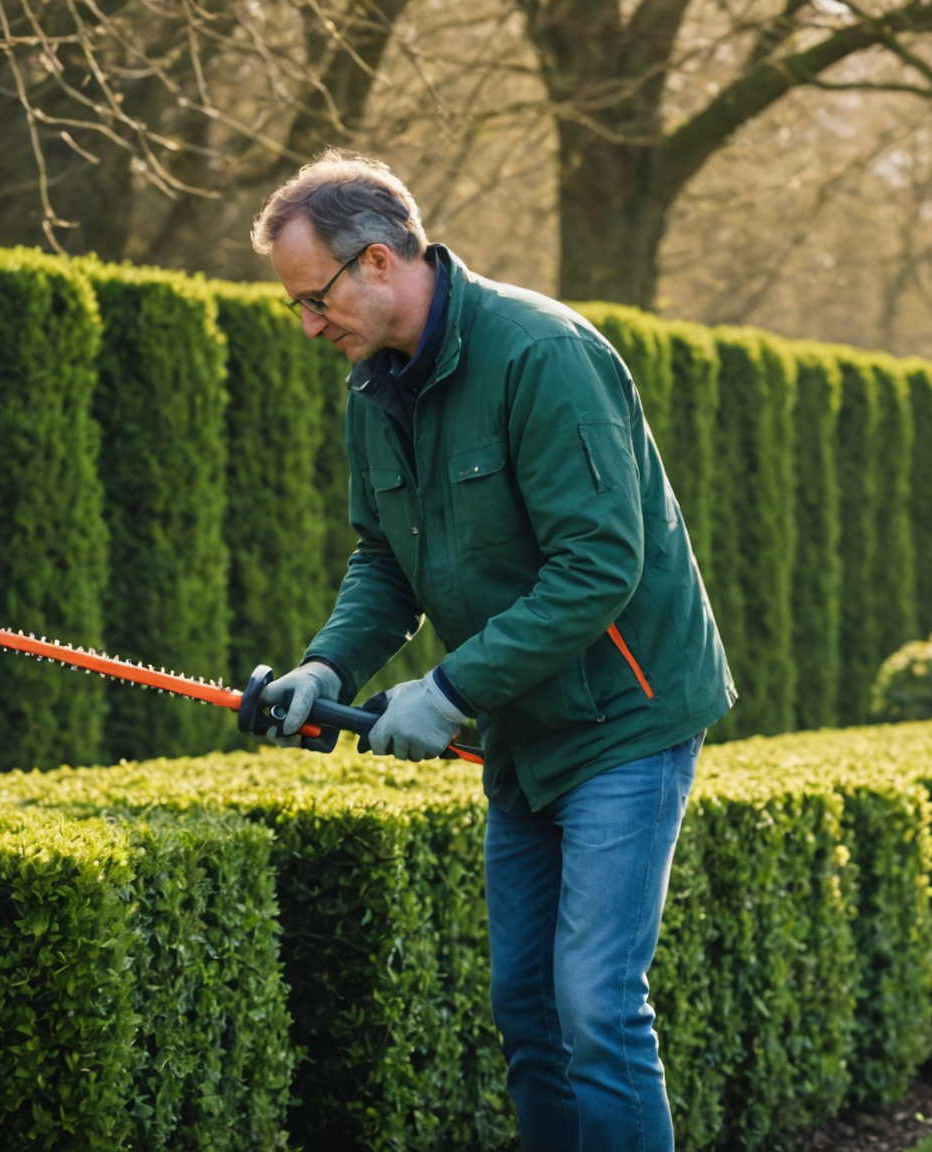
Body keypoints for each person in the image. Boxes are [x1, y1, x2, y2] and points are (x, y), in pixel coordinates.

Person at [252, 150, 733, 1152]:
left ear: (376, 261)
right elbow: (384, 558)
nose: (308, 325)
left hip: (624, 718)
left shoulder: (540, 355)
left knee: (596, 1007)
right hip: (524, 725)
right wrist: (330, 668)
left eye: (313, 299)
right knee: (525, 1010)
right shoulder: (372, 391)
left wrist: (449, 688)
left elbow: (600, 564)